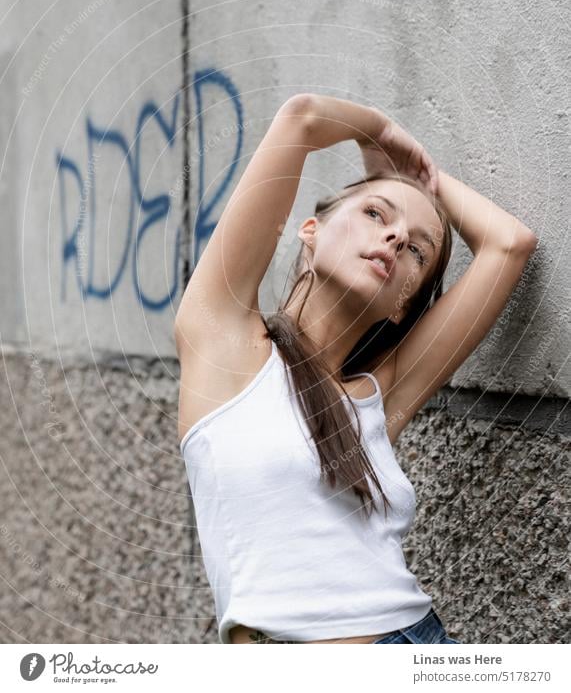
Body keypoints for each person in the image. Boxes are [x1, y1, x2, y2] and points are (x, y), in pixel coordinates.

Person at [175, 94, 537, 644]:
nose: (395, 238)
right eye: (375, 214)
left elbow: (509, 244)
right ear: (311, 230)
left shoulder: (378, 395)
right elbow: (302, 118)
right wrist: (384, 136)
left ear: (403, 305)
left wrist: (424, 187)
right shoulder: (223, 342)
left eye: (418, 251)